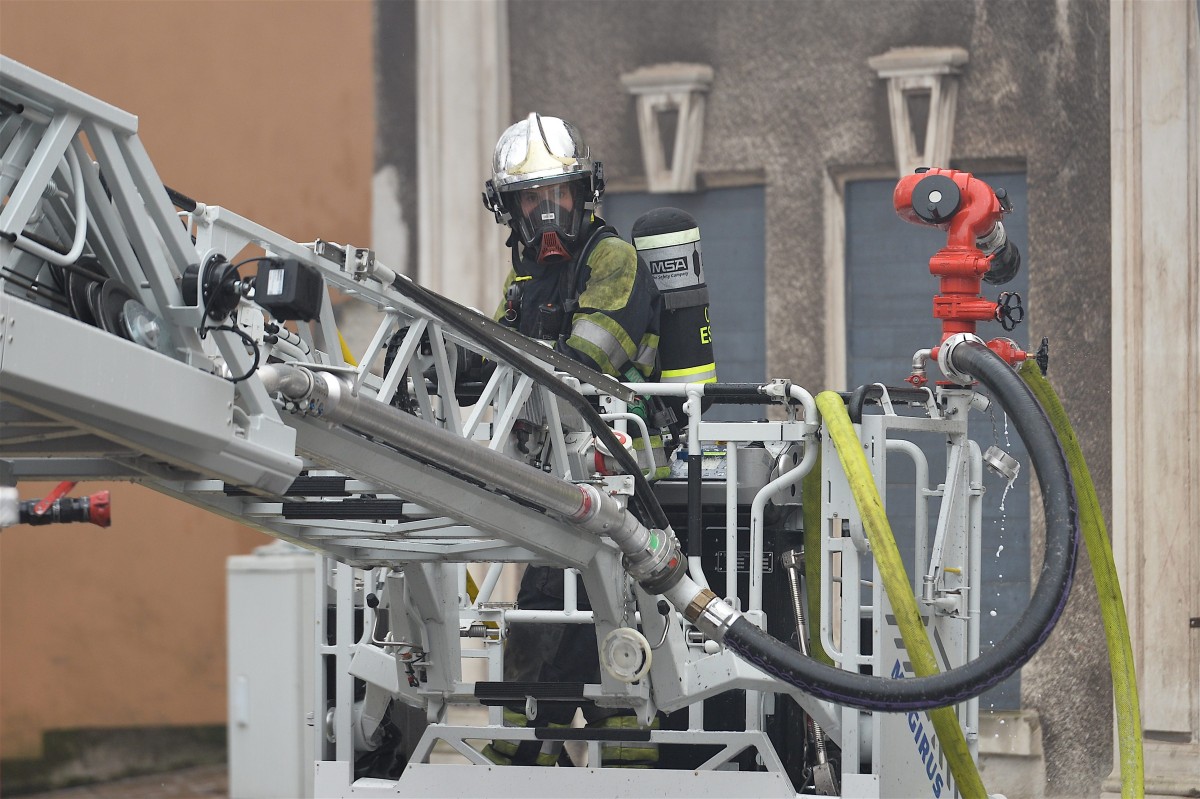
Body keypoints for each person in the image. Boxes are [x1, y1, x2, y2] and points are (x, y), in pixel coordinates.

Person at [478, 112, 661, 768]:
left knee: (604, 636)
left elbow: (580, 367)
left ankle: (614, 770)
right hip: (559, 488)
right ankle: (520, 762)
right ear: (513, 207)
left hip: (624, 488)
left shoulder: (611, 260)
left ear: (584, 194)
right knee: (537, 632)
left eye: (558, 194)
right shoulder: (526, 278)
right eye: (532, 197)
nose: (547, 211)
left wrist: (497, 359)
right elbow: (494, 355)